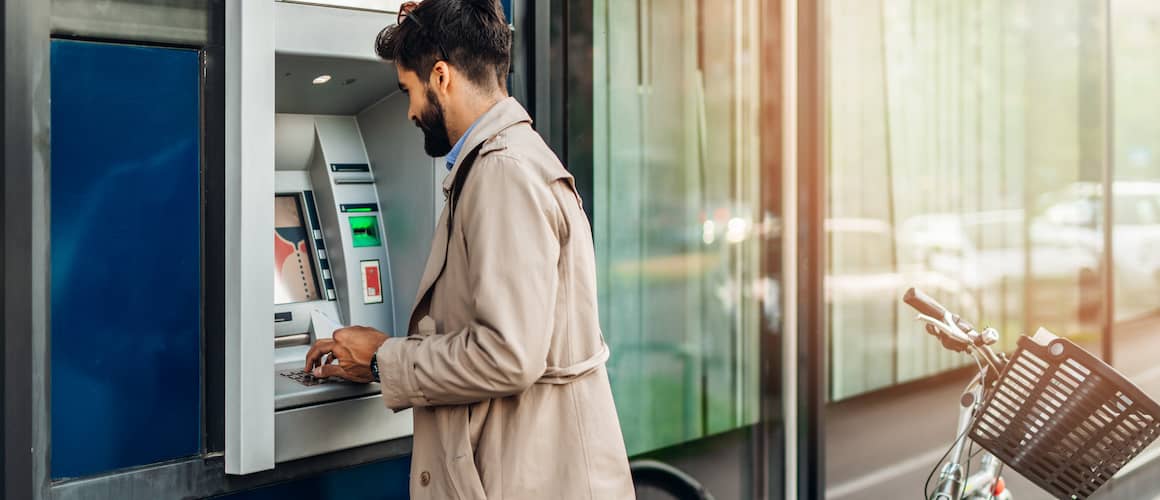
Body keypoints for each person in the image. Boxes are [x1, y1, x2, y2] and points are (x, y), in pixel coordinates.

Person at [303, 1, 635, 498]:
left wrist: (382, 360)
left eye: (407, 91)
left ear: (441, 77)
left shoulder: (503, 174)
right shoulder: (503, 162)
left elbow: (508, 354)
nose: (410, 112)